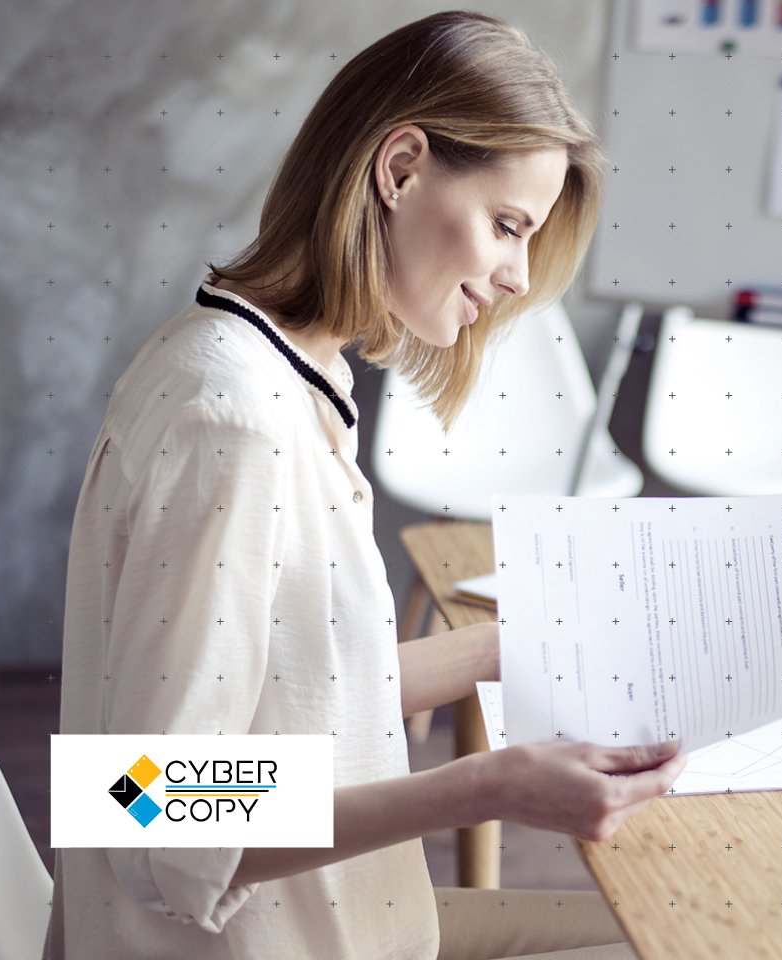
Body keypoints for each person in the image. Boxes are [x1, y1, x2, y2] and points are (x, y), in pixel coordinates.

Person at [48, 11, 685, 959]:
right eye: (507, 226)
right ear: (398, 168)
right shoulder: (233, 420)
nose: (516, 276)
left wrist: (505, 649)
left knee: (686, 935)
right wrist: (489, 787)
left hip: (351, 924)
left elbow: (304, 692)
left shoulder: (275, 370)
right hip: (267, 943)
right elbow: (148, 800)